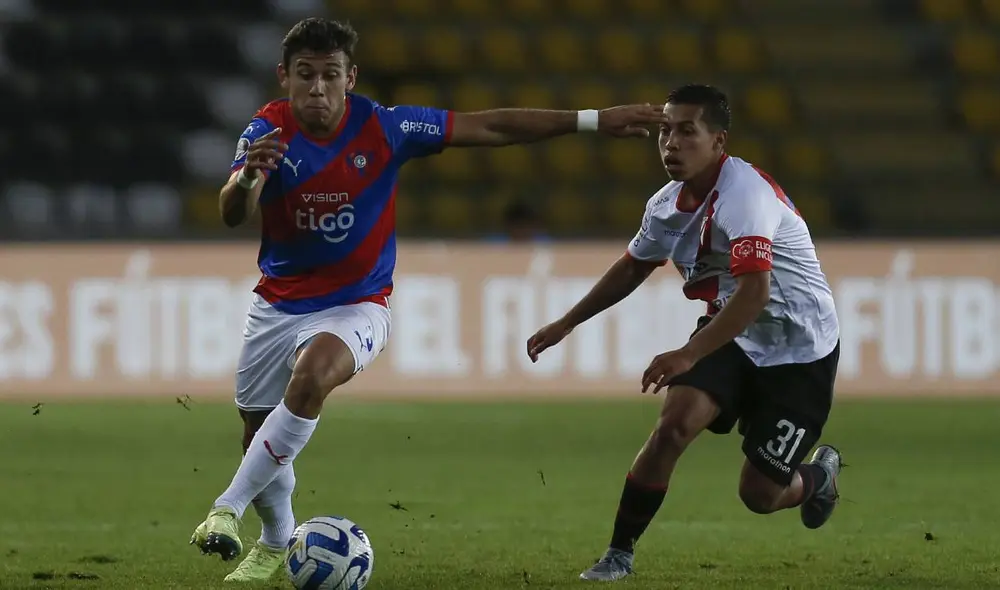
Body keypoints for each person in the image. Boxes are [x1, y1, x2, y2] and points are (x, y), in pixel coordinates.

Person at [188, 17, 670, 583]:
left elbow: (488, 127)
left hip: (357, 304)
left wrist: (592, 120)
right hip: (278, 303)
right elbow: (231, 214)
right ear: (284, 77)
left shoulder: (385, 127)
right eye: (305, 75)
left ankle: (226, 508)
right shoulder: (265, 132)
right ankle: (273, 541)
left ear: (351, 77)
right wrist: (247, 180)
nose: (317, 88)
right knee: (258, 435)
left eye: (330, 75)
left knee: (314, 375)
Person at [525, 84, 843, 582]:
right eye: (664, 131)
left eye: (686, 131)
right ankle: (619, 553)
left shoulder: (746, 195)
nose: (671, 143)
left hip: (799, 348)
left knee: (760, 495)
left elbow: (755, 293)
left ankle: (818, 477)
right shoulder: (666, 205)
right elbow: (633, 268)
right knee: (674, 423)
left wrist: (688, 353)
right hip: (731, 333)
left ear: (719, 141)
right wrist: (567, 322)